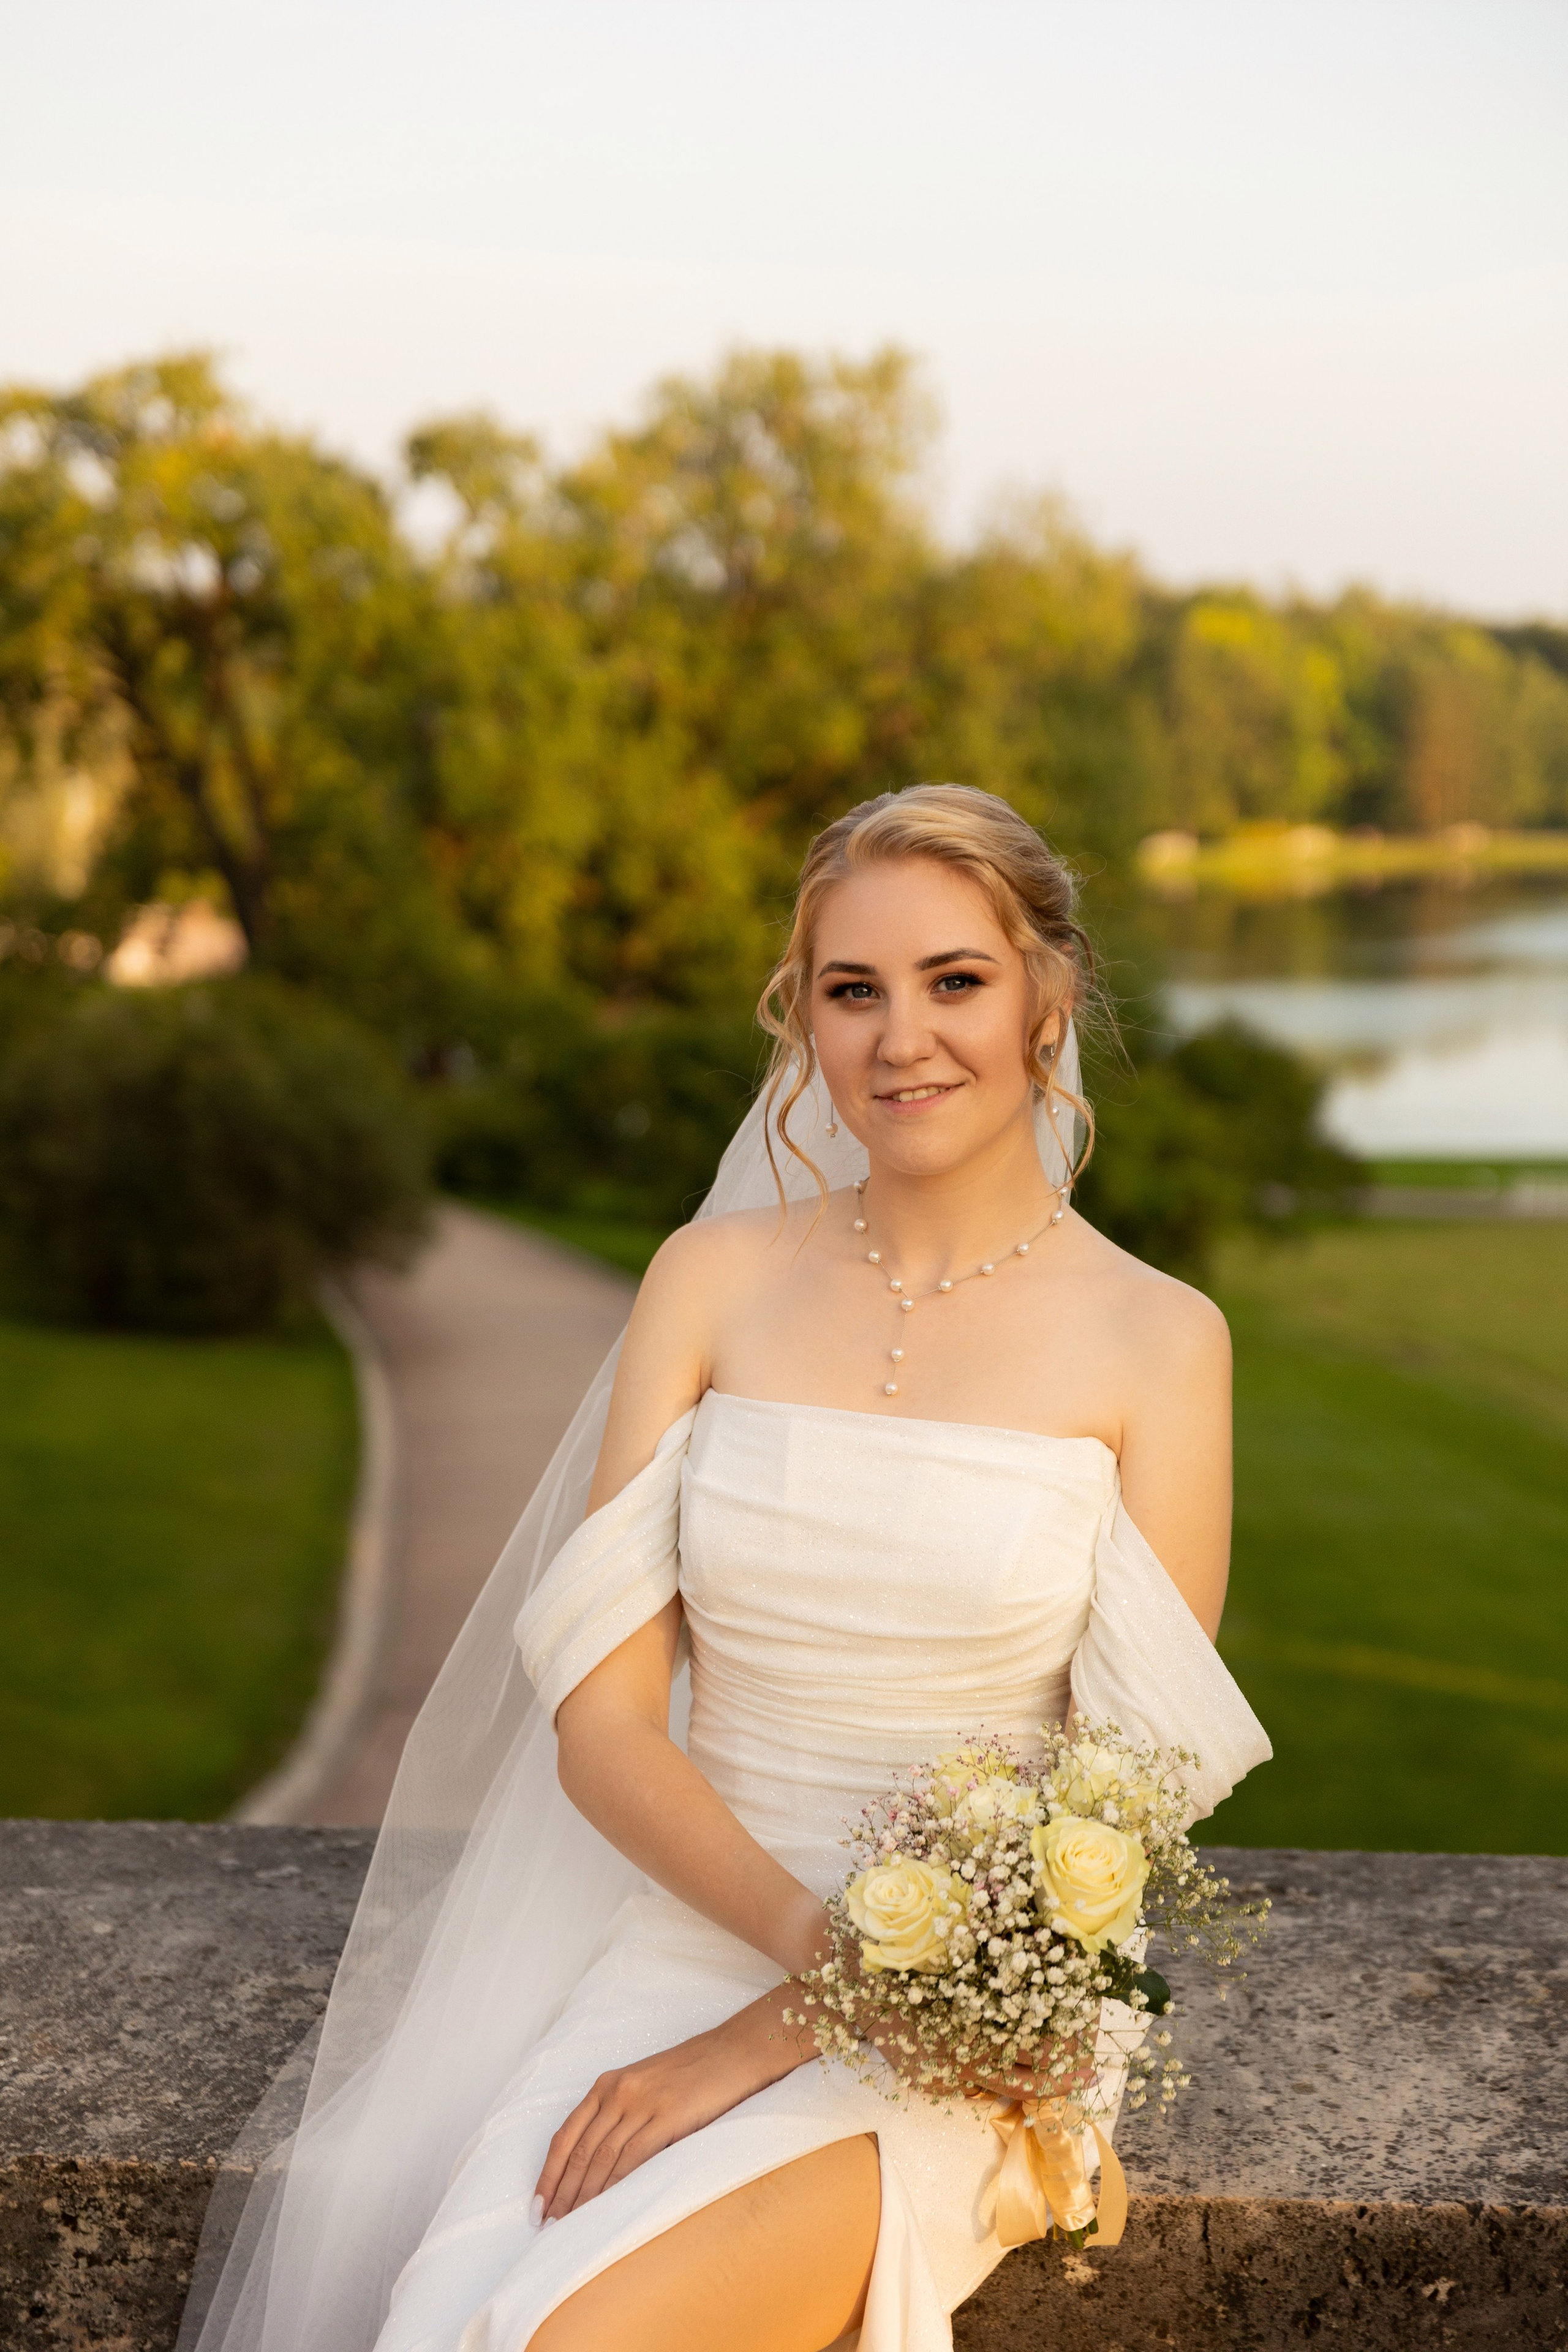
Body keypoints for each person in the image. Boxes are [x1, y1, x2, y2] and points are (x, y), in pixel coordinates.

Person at [181, 785, 1268, 2352]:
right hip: (695, 1933)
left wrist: (777, 2039)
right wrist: (800, 1965)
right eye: (853, 990)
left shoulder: (1158, 1342)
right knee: (444, 2314)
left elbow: (1115, 1805)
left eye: (954, 979)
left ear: (1049, 993)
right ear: (802, 1020)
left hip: (980, 2011)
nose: (903, 1038)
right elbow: (604, 1725)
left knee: (561, 2341)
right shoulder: (710, 1282)